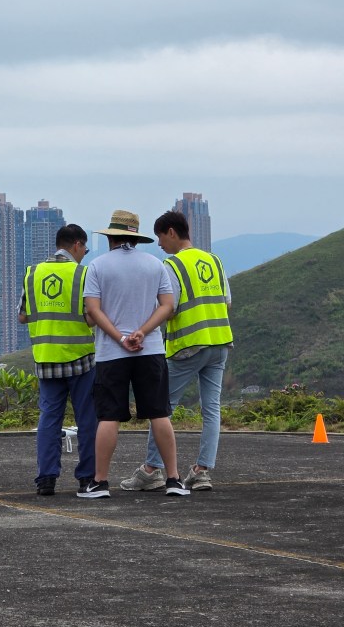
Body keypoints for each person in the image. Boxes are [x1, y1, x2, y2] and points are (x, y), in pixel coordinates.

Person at [77, 209, 189, 499]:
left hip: (111, 353)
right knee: (159, 413)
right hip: (150, 349)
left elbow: (93, 310)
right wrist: (142, 332)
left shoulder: (97, 266)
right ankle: (174, 479)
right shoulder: (155, 264)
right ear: (136, 238)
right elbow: (167, 306)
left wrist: (121, 337)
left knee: (108, 417)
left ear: (111, 237)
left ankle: (100, 483)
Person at [120, 210, 233, 493]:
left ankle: (151, 470)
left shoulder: (173, 265)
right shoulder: (214, 260)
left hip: (188, 345)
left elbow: (169, 307)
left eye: (160, 237)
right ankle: (202, 472)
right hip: (220, 342)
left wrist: (144, 327)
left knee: (161, 407)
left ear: (171, 232)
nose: (159, 244)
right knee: (212, 409)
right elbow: (226, 301)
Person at [19, 224, 97, 495]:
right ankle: (87, 478)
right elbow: (90, 317)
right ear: (76, 245)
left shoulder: (33, 273)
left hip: (46, 358)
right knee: (87, 419)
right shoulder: (82, 274)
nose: (85, 253)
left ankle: (46, 479)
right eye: (85, 248)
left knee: (49, 419)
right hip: (80, 359)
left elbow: (22, 316)